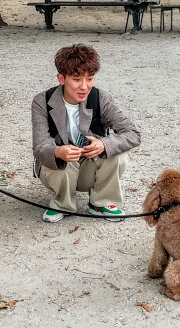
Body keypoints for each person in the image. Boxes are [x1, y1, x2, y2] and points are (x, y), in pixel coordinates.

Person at [31, 44, 140, 223]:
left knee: (119, 152)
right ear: (61, 78)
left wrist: (104, 144)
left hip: (91, 164)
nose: (84, 87)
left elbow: (133, 134)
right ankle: (62, 203)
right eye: (76, 79)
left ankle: (101, 202)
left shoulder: (100, 98)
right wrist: (58, 152)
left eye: (90, 79)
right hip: (60, 169)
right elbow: (40, 146)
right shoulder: (42, 101)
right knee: (61, 157)